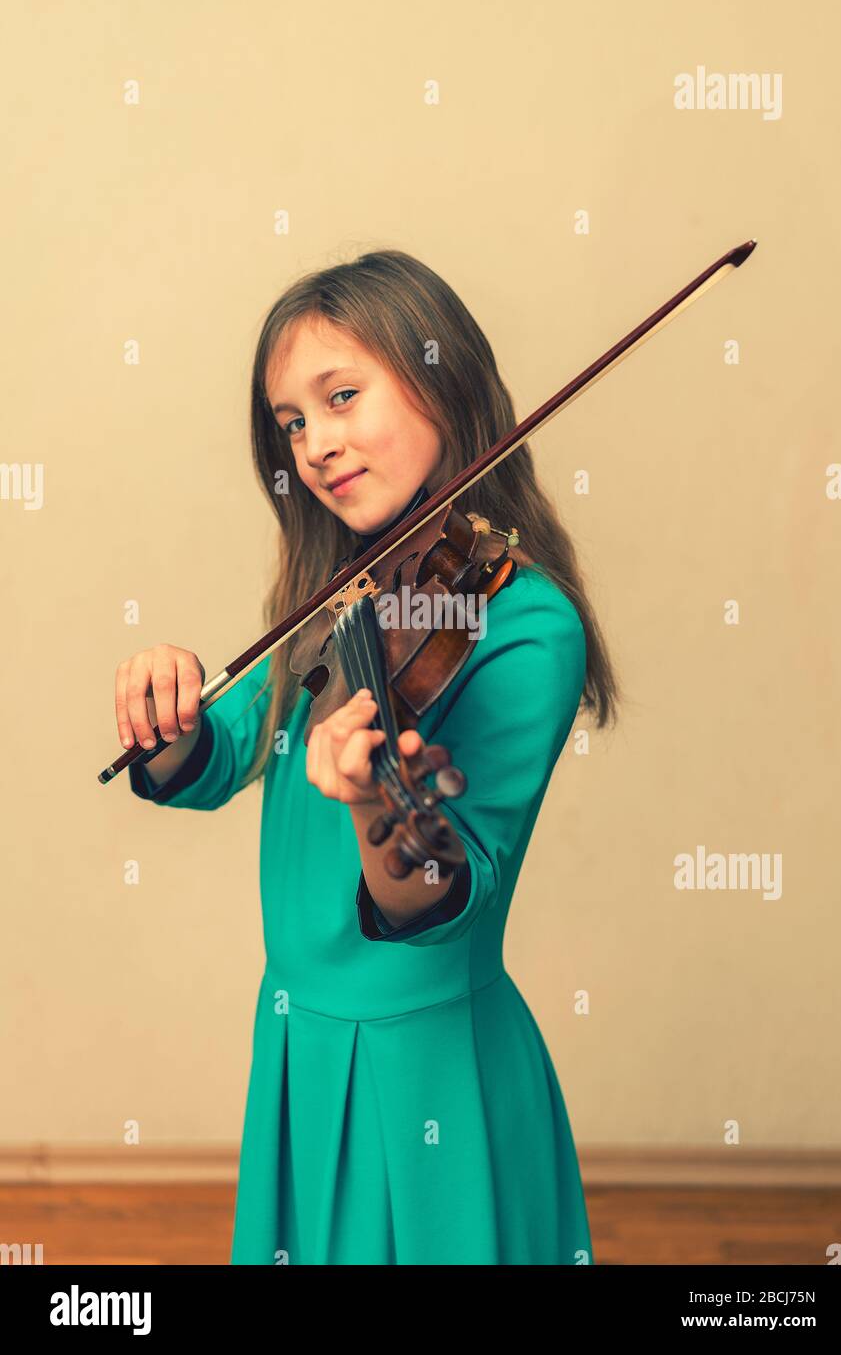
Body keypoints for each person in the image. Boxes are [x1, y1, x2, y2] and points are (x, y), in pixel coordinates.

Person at [116, 249, 619, 1265]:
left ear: (444, 380)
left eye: (341, 397)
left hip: (426, 1066)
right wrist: (172, 725)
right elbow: (224, 753)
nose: (314, 444)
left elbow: (438, 890)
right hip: (301, 1044)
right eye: (292, 422)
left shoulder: (523, 624)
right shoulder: (343, 598)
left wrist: (370, 800)